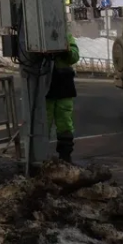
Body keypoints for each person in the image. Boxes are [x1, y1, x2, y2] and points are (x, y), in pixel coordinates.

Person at [46, 30, 80, 162]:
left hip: (63, 84)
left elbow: (75, 55)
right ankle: (40, 157)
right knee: (44, 122)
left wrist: (66, 51)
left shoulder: (65, 34)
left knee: (65, 122)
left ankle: (65, 157)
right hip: (45, 83)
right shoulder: (36, 33)